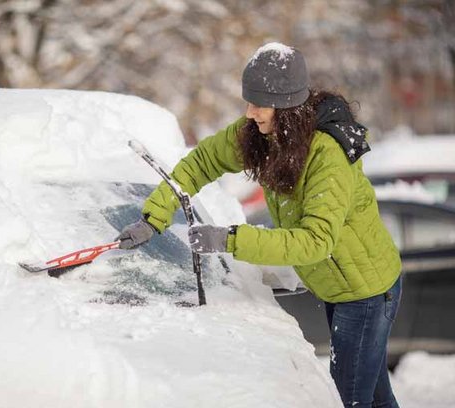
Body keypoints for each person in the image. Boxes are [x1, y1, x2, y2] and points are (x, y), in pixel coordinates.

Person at [116, 42, 402, 408]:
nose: (250, 112)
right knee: (374, 398)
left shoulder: (327, 156)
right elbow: (202, 162)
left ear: (286, 107)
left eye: (259, 103)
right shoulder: (260, 135)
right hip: (339, 287)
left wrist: (230, 239)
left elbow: (316, 241)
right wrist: (154, 217)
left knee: (351, 399)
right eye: (248, 101)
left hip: (367, 292)